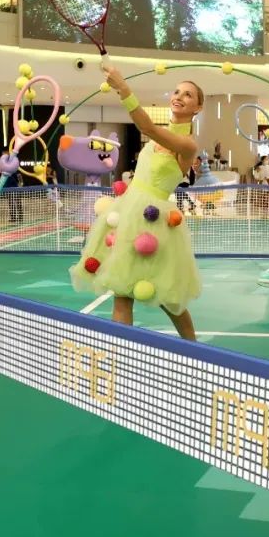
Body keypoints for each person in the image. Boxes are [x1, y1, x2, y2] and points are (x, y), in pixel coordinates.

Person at [71, 67, 203, 341]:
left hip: (154, 222)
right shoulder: (156, 140)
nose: (179, 97)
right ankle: (121, 354)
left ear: (198, 108)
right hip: (127, 215)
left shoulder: (187, 145)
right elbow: (150, 133)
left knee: (170, 300)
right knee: (122, 292)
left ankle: (195, 350)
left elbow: (147, 127)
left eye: (188, 95)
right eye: (177, 91)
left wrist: (123, 88)